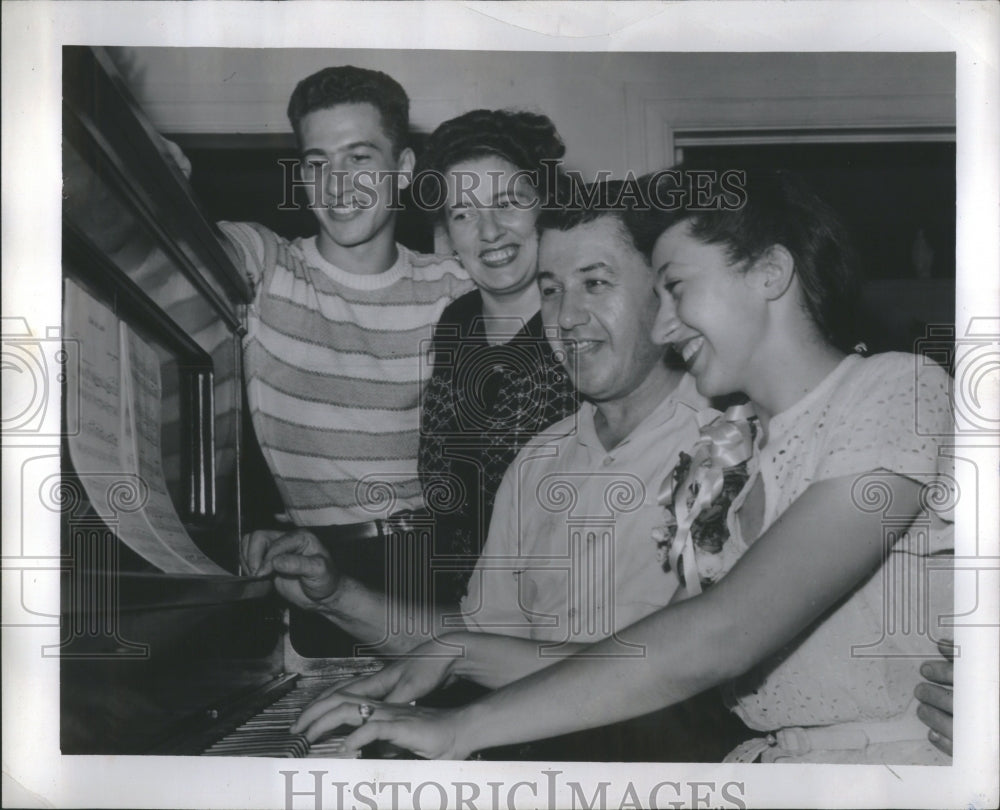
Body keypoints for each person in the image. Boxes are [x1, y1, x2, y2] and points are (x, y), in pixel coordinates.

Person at [294, 169, 954, 765]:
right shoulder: (731, 452)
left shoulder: (897, 389)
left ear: (769, 272)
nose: (662, 328)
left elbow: (720, 635)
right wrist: (462, 651)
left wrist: (463, 727)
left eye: (674, 290)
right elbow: (642, 657)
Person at [243, 180, 709, 671]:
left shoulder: (727, 442)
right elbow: (476, 641)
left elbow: (668, 669)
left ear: (664, 297)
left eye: (595, 283)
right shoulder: (536, 464)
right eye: (550, 290)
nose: (567, 317)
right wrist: (332, 594)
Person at [218, 65, 473, 539]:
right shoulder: (268, 266)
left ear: (403, 169)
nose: (336, 185)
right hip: (323, 569)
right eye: (318, 162)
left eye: (358, 159)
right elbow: (176, 247)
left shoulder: (453, 285)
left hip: (445, 562)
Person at [414, 109, 578, 606]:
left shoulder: (579, 324)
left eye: (508, 203)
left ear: (543, 207)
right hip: (455, 617)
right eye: (463, 213)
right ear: (448, 232)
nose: (488, 231)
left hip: (561, 617)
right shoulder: (454, 324)